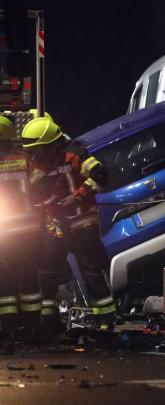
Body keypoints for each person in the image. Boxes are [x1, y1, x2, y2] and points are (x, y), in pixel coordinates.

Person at [21, 116, 116, 332]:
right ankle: (49, 321)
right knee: (47, 272)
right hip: (56, 226)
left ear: (51, 146)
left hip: (81, 223)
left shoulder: (74, 155)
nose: (33, 157)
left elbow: (100, 175)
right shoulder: (42, 164)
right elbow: (31, 190)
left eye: (36, 151)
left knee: (91, 271)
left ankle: (105, 321)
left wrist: (77, 196)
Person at [0, 115, 43, 340]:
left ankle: (8, 328)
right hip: (28, 232)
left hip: (6, 235)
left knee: (6, 282)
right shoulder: (25, 160)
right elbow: (41, 187)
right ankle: (32, 327)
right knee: (28, 280)